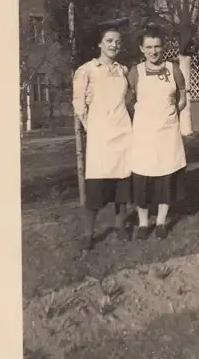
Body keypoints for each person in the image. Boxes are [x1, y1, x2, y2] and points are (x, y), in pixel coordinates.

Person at [73, 20, 133, 251]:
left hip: (123, 132)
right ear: (99, 44)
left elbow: (126, 99)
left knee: (122, 182)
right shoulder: (87, 70)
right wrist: (91, 125)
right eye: (109, 41)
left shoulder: (123, 70)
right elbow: (79, 103)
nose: (114, 45)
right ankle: (89, 234)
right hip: (100, 134)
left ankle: (120, 228)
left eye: (117, 42)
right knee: (97, 182)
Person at [128, 24, 187, 240]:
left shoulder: (173, 69)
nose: (154, 51)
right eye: (149, 47)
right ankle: (143, 223)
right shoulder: (136, 72)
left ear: (163, 48)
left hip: (167, 133)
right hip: (143, 135)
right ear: (142, 49)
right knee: (142, 177)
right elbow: (127, 101)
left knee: (166, 177)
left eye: (157, 46)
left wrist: (172, 113)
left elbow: (182, 95)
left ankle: (161, 221)